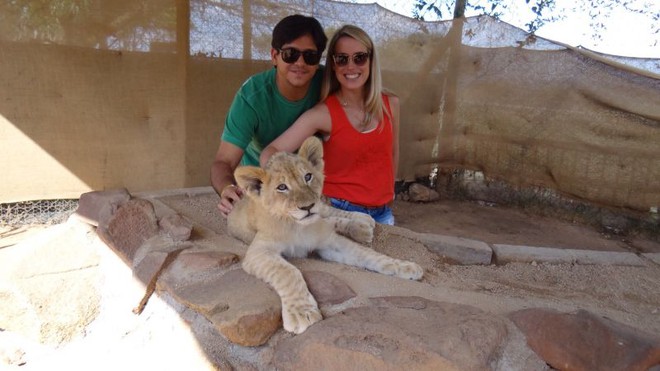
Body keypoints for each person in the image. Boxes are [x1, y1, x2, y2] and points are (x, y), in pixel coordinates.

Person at [260, 25, 400, 225]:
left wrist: (390, 191)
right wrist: (285, 187)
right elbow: (271, 151)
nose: (351, 66)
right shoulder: (322, 114)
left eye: (359, 57)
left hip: (382, 213)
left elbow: (392, 154)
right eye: (342, 59)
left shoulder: (390, 104)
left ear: (371, 60)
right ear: (333, 65)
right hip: (337, 211)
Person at [211, 14, 327, 216]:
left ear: (318, 61)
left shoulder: (328, 83)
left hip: (312, 185)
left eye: (310, 56)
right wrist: (227, 189)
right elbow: (224, 162)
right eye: (290, 54)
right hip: (268, 190)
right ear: (274, 55)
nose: (300, 63)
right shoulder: (251, 98)